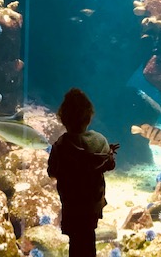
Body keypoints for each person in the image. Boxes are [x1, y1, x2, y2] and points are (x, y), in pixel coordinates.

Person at [48, 88, 119, 257]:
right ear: (89, 117)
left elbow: (52, 171)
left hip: (72, 206)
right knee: (88, 238)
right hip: (92, 205)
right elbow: (110, 165)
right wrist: (108, 153)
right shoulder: (100, 140)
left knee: (76, 242)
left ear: (62, 118)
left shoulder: (61, 145)